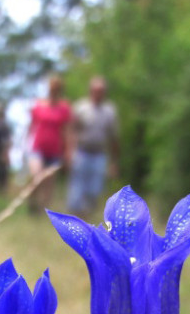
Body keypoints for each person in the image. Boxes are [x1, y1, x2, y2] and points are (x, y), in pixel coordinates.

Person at [67, 76, 120, 217]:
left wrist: (114, 163)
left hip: (99, 155)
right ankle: (75, 222)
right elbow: (72, 130)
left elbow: (114, 138)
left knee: (94, 190)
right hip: (81, 153)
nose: (99, 93)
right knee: (77, 189)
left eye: (101, 90)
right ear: (90, 91)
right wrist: (69, 151)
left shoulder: (110, 111)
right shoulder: (81, 107)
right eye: (96, 90)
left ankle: (88, 220)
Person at [27, 75, 73, 212]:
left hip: (55, 150)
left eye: (56, 88)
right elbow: (31, 126)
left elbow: (67, 130)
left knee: (49, 182)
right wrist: (24, 146)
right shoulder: (39, 106)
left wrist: (68, 151)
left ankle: (43, 211)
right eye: (52, 88)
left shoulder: (64, 108)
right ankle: (32, 202)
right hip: (37, 148)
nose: (53, 91)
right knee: (37, 176)